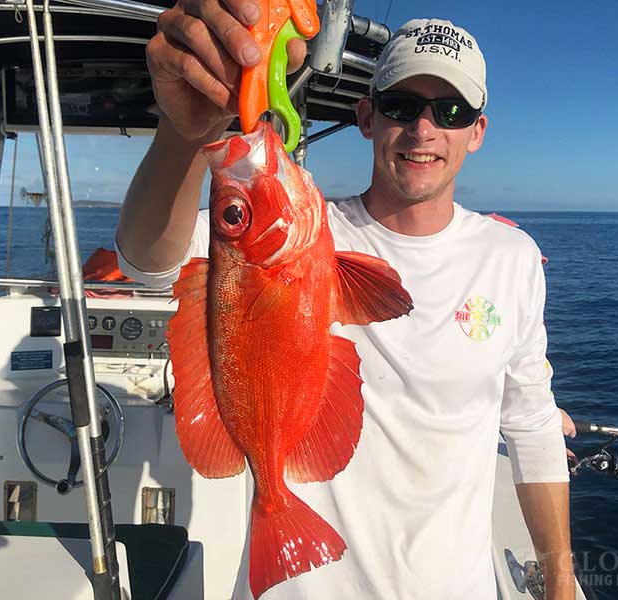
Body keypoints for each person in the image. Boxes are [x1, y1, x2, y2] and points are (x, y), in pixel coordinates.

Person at [117, 3, 575, 599]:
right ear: (367, 116)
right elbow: (151, 262)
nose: (424, 129)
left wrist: (561, 579)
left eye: (451, 111)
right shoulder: (296, 233)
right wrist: (183, 134)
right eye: (402, 106)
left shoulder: (511, 257)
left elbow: (531, 423)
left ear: (477, 131)